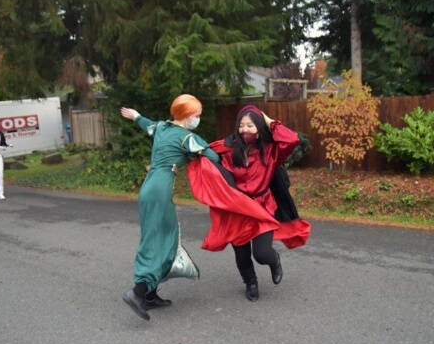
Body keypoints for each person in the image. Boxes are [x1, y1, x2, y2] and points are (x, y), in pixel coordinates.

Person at [120, 95, 232, 319]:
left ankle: (149, 295)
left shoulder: (162, 128)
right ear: (188, 116)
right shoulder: (187, 138)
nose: (198, 119)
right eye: (197, 115)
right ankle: (138, 291)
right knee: (161, 241)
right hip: (160, 190)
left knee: (160, 238)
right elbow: (213, 157)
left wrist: (136, 116)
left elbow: (147, 124)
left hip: (149, 188)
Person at [205, 105, 310, 302]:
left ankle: (274, 260)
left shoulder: (271, 151)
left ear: (260, 128)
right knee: (242, 253)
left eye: (251, 125)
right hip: (238, 210)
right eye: (242, 125)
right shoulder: (227, 148)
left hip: (263, 207)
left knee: (261, 253)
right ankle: (250, 283)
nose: (245, 130)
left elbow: (292, 139)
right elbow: (200, 152)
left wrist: (269, 120)